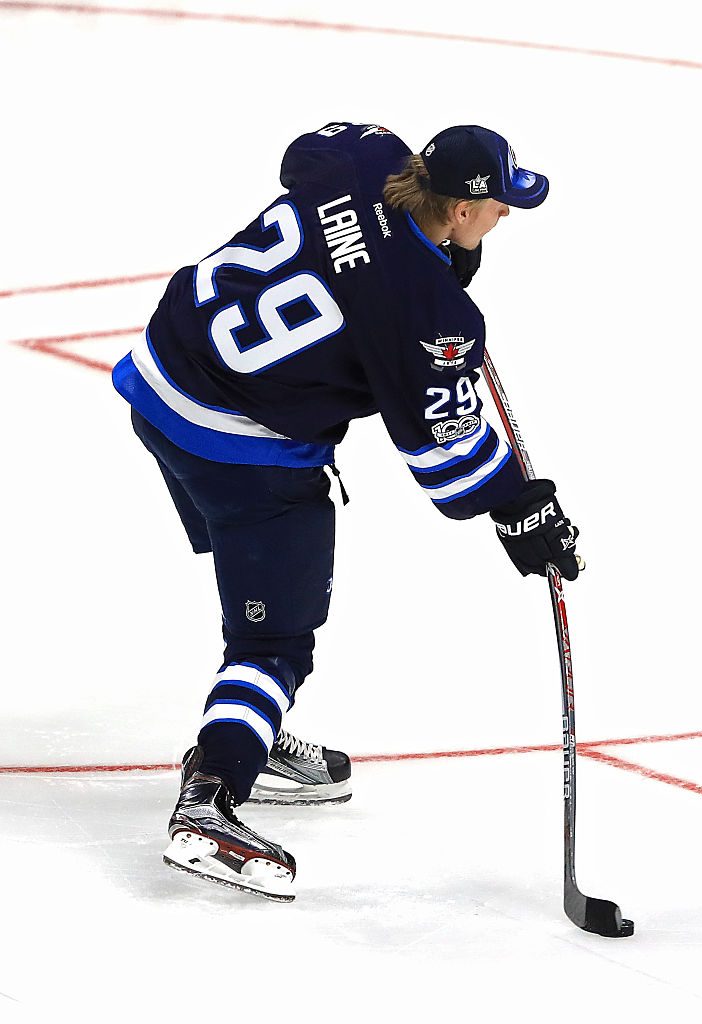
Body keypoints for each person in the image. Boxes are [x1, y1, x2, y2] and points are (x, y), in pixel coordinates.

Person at [112, 121, 580, 901]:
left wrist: (400, 255)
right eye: (497, 206)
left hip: (160, 380)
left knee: (258, 593)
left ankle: (248, 731)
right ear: (460, 211)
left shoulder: (364, 159)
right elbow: (446, 461)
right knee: (273, 642)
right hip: (238, 450)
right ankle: (212, 794)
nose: (504, 217)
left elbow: (307, 150)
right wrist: (519, 507)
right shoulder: (427, 315)